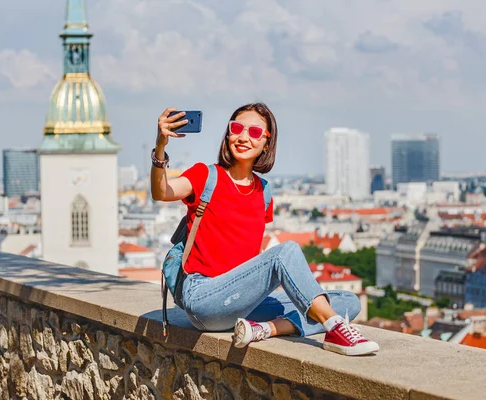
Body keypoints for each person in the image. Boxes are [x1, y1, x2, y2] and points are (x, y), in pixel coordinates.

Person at [150, 103, 379, 356]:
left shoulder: (264, 191)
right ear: (228, 134)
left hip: (241, 302)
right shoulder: (207, 175)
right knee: (287, 252)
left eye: (255, 132)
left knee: (347, 302)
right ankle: (335, 330)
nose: (244, 137)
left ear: (267, 144)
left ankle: (265, 329)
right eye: (236, 128)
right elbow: (161, 192)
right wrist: (160, 146)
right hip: (204, 298)